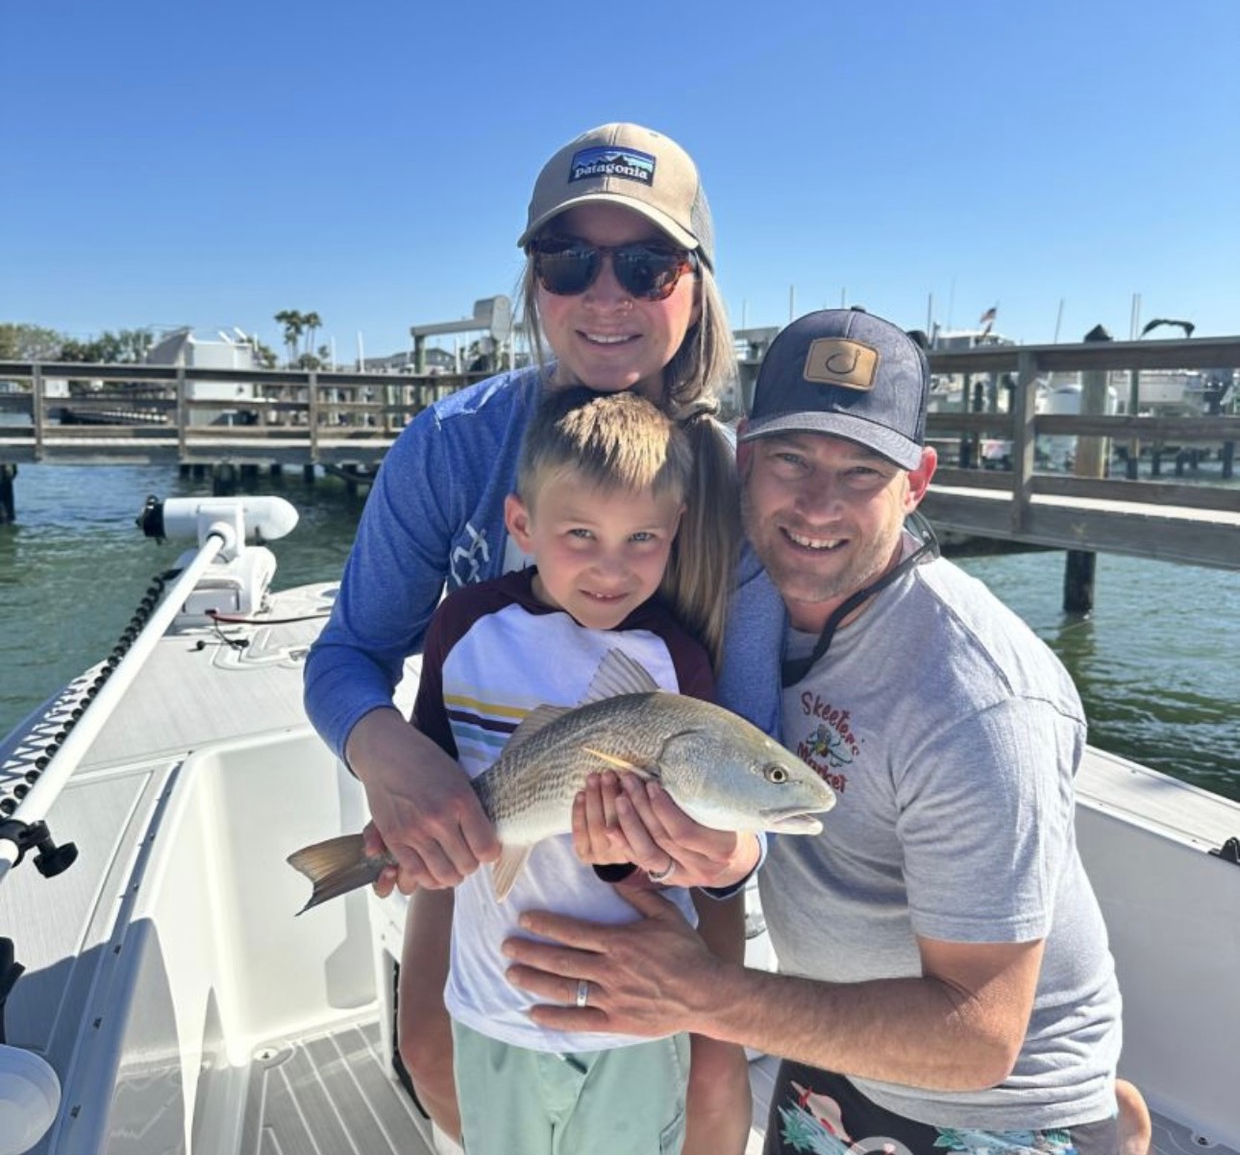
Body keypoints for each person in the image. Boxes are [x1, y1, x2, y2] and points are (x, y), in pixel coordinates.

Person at [501, 308, 1142, 1155]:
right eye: (792, 460)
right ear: (745, 462)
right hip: (829, 1050)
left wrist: (703, 995)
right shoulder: (741, 601)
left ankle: (1111, 1130)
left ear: (917, 482)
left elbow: (978, 1036)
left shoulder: (979, 701)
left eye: (863, 471)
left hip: (999, 1104)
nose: (817, 504)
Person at [302, 122, 759, 1152]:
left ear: (695, 285)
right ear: (533, 282)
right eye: (567, 261)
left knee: (712, 1096)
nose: (605, 295)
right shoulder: (452, 446)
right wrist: (388, 753)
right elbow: (346, 655)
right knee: (429, 1048)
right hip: (494, 821)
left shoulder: (729, 481)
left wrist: (718, 852)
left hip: (668, 840)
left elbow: (754, 726)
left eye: (645, 264)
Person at [406, 386, 760, 1154]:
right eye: (579, 535)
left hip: (628, 1018)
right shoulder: (461, 627)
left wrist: (632, 858)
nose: (612, 566)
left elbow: (685, 857)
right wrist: (406, 831)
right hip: (490, 998)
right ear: (521, 525)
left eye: (642, 538)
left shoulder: (674, 661)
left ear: (677, 532)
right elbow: (428, 771)